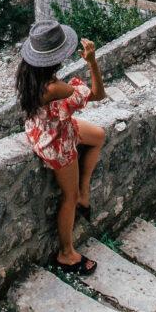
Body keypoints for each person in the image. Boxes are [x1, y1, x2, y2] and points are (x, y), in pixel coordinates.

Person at [15, 17, 107, 274]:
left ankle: (85, 192)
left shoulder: (30, 75)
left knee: (98, 135)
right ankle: (66, 253)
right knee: (69, 197)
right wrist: (92, 61)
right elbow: (98, 94)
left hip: (48, 125)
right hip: (56, 141)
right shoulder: (57, 88)